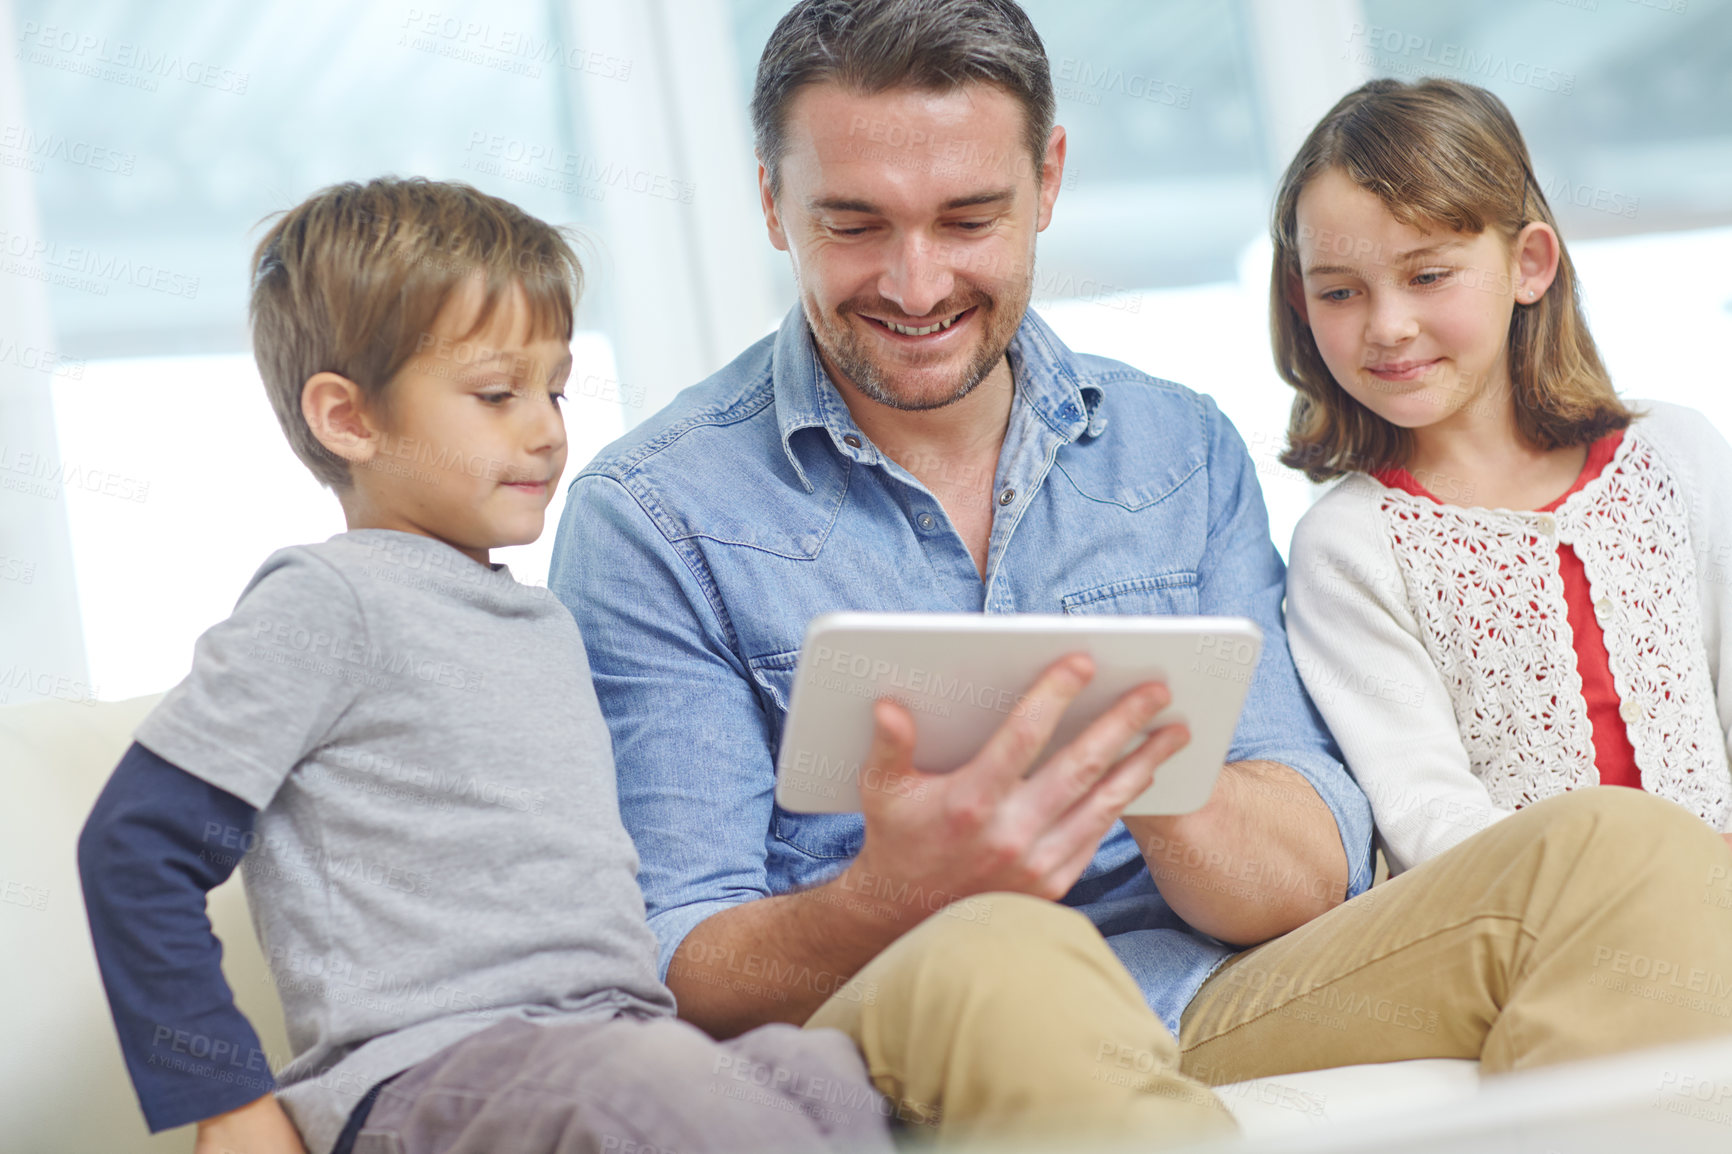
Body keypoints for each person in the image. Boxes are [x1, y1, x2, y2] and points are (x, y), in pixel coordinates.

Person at [550, 0, 1732, 1134]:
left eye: (968, 219)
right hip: (923, 993)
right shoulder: (655, 515)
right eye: (854, 223)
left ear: (1049, 181)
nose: (915, 284)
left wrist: (1146, 780)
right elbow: (676, 958)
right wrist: (900, 888)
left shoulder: (1175, 448)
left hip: (1212, 996)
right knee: (1003, 950)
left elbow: (1309, 857)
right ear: (772, 201)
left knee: (1622, 849)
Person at [76, 178, 895, 1154]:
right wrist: (230, 1098)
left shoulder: (541, 618)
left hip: (609, 1042)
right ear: (349, 419)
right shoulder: (326, 601)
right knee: (659, 1081)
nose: (547, 426)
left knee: (820, 1071)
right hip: (426, 1072)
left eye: (554, 386)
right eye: (497, 394)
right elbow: (135, 847)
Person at [1276, 77, 1732, 874]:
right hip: (1541, 946)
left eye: (1427, 275)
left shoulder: (1680, 456)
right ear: (1302, 305)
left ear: (1529, 264)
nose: (1387, 326)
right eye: (1341, 292)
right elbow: (1425, 813)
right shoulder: (1346, 549)